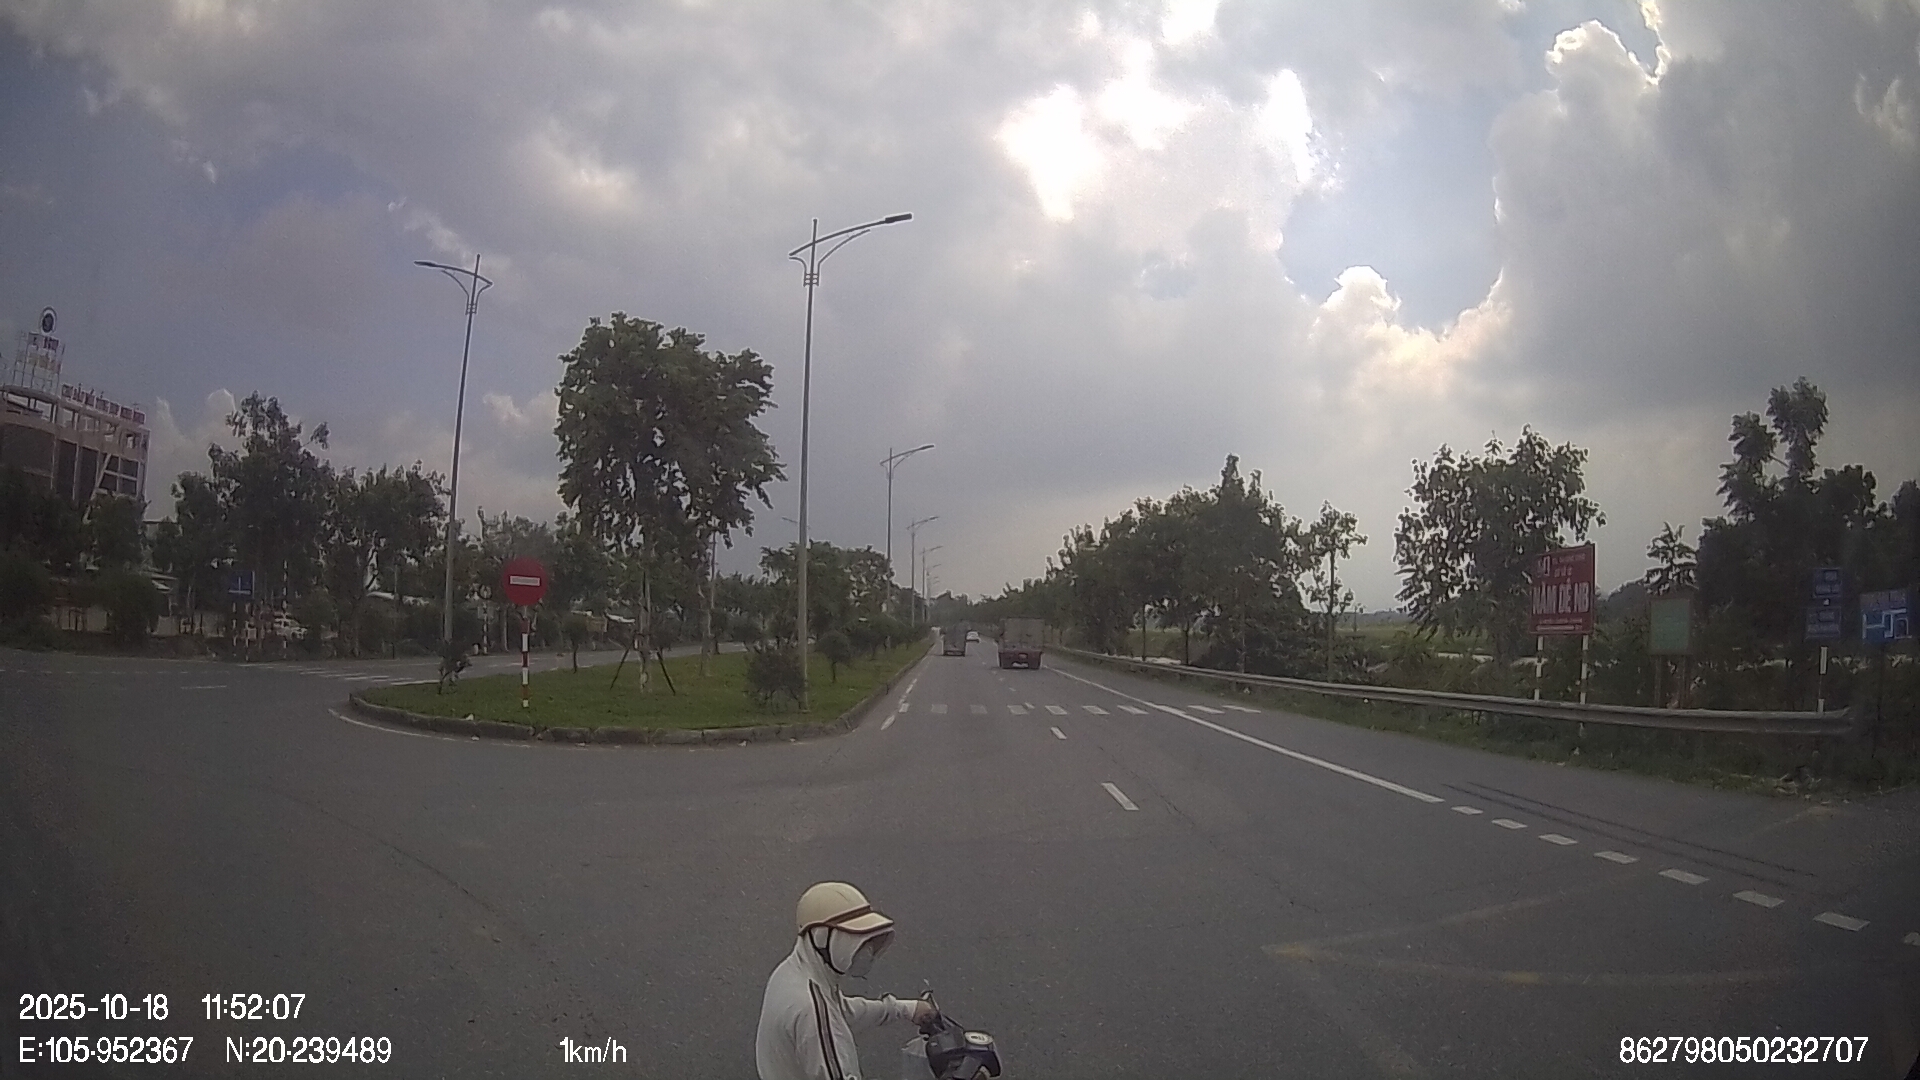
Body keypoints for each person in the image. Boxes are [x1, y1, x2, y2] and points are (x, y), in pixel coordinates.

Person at [756, 881, 937, 1080]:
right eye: (856, 938)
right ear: (821, 937)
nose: (865, 951)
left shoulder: (792, 973)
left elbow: (840, 1011)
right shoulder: (811, 1009)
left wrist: (906, 1008)